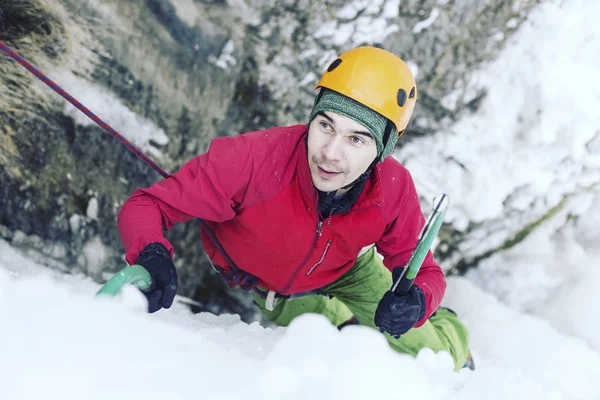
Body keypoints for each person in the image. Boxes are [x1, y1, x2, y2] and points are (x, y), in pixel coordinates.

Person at [117, 46, 473, 371]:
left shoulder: (393, 189)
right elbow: (149, 204)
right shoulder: (253, 160)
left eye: (356, 139)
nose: (331, 153)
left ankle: (451, 329)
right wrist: (150, 251)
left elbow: (425, 271)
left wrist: (418, 302)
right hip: (275, 285)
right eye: (325, 125)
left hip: (349, 269)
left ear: (382, 150)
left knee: (433, 354)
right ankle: (342, 318)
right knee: (331, 333)